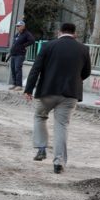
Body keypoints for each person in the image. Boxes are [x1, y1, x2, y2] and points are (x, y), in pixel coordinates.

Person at [23, 22, 92, 174]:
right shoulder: (83, 49)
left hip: (47, 92)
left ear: (59, 32)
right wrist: (75, 80)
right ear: (75, 33)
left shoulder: (48, 46)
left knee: (40, 116)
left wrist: (28, 89)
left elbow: (36, 69)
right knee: (62, 126)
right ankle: (58, 162)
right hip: (70, 94)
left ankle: (41, 148)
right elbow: (87, 72)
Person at [8, 20, 36, 91]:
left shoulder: (26, 33)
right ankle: (14, 84)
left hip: (20, 54)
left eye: (19, 26)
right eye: (17, 26)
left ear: (23, 26)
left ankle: (19, 85)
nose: (17, 27)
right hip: (14, 54)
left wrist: (23, 46)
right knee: (13, 69)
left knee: (17, 69)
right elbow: (15, 44)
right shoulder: (17, 34)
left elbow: (32, 40)